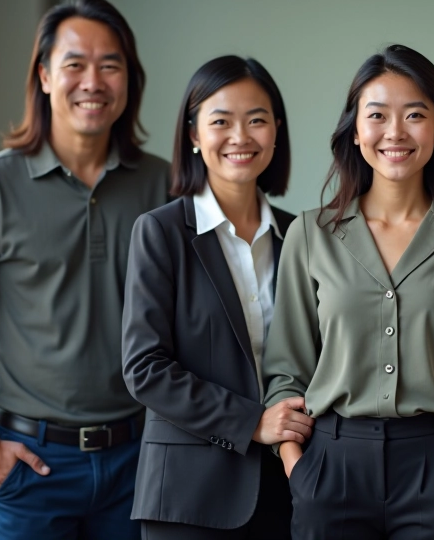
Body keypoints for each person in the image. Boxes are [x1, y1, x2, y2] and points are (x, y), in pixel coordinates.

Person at [0, 0, 169, 539]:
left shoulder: (164, 185)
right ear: (43, 74)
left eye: (111, 65)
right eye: (75, 64)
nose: (93, 81)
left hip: (140, 455)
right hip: (31, 461)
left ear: (130, 79)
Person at [261, 44, 434, 539]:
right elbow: (286, 370)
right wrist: (298, 469)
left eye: (415, 115)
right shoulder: (311, 234)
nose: (395, 132)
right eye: (377, 115)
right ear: (355, 132)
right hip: (330, 467)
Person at [122, 55, 312, 539]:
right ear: (193, 134)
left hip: (290, 487)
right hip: (189, 496)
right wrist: (251, 422)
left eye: (257, 120)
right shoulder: (161, 232)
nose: (240, 137)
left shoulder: (302, 236)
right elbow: (145, 368)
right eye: (220, 121)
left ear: (276, 131)